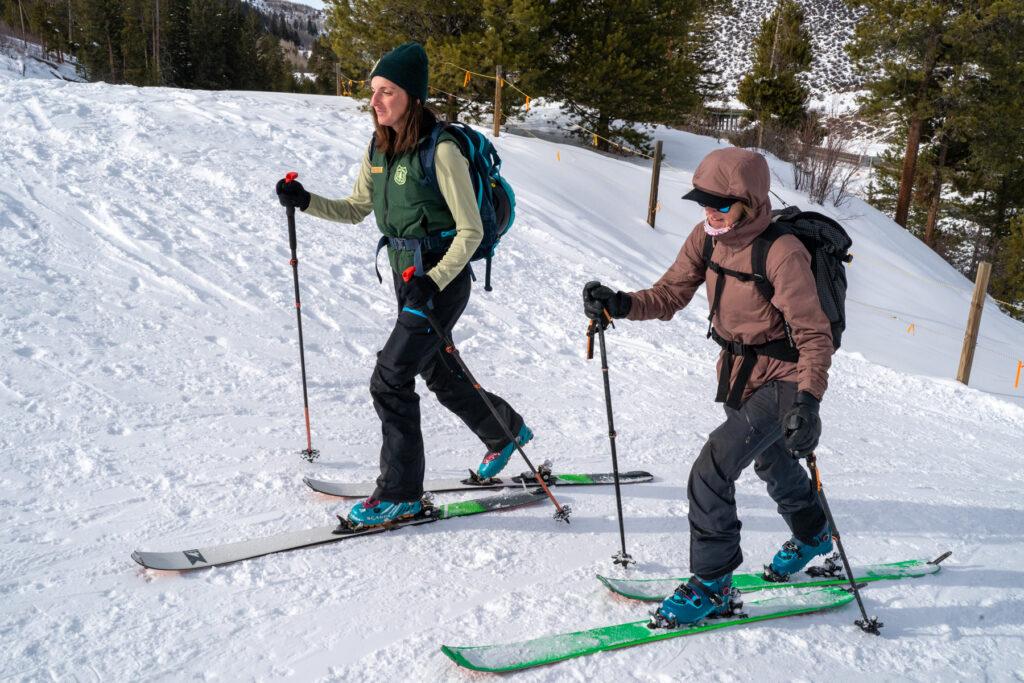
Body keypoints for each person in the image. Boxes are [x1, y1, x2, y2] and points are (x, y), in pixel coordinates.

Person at [275, 42, 531, 528]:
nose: (375, 102)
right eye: (373, 92)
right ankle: (505, 432)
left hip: (441, 279)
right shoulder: (378, 147)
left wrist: (433, 281)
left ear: (412, 96)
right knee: (437, 371)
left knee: (390, 377)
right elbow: (355, 210)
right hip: (406, 277)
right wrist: (305, 200)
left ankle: (400, 493)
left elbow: (471, 229)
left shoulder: (443, 149)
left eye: (386, 92)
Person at [583, 147, 834, 627]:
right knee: (770, 455)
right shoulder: (707, 237)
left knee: (711, 469)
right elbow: (670, 293)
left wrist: (808, 400)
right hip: (740, 371)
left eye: (719, 203)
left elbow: (814, 336)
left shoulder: (782, 252)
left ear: (749, 201)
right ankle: (813, 534)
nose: (708, 212)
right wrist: (618, 302)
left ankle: (713, 583)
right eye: (704, 201)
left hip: (784, 376)